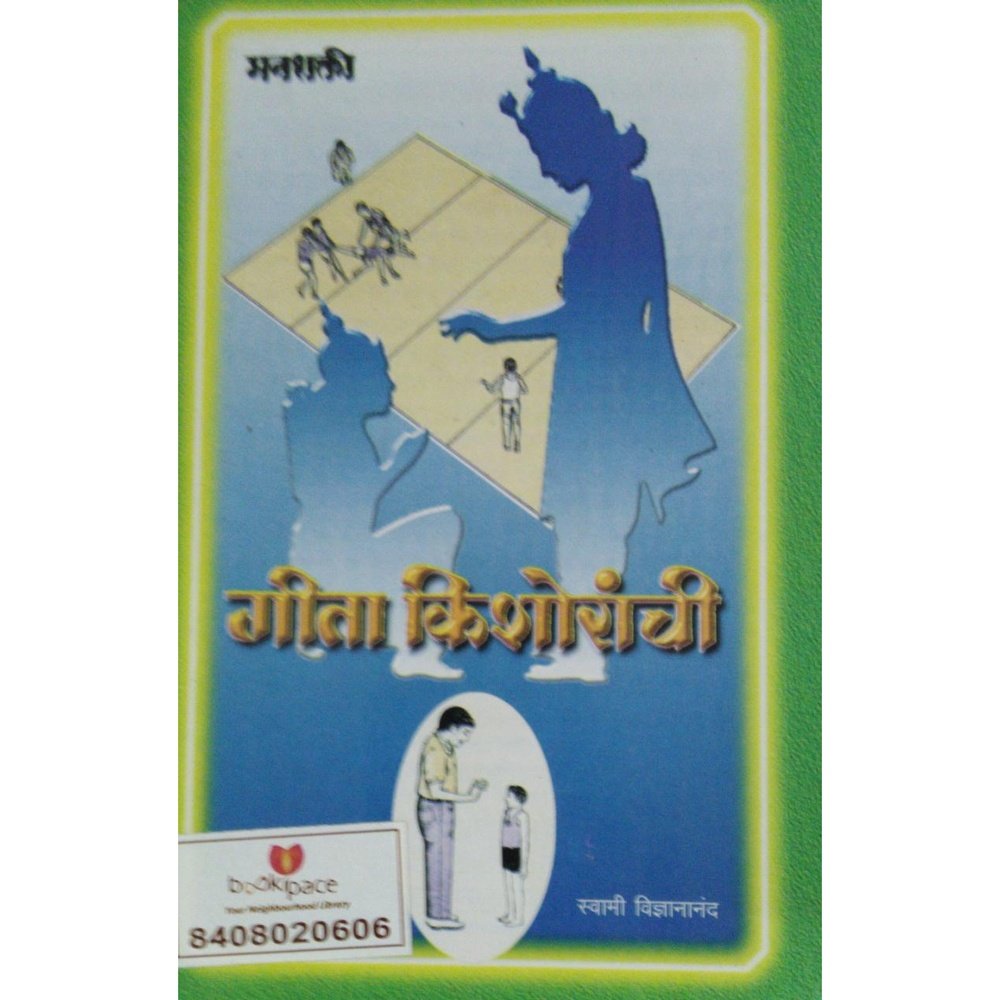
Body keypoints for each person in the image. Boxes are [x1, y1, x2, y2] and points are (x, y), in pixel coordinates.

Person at [441, 50, 715, 680]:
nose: (544, 168)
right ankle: (582, 642)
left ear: (573, 142)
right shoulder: (622, 197)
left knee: (591, 508)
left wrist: (496, 329)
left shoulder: (619, 205)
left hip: (604, 384)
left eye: (546, 152)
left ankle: (586, 647)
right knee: (587, 511)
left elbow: (597, 312)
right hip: (601, 378)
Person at [416, 706, 487, 929]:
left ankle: (443, 913)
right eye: (464, 733)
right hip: (434, 809)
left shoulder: (447, 747)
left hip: (443, 809)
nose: (466, 739)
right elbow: (435, 791)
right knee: (437, 864)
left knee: (445, 863)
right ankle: (436, 916)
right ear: (453, 728)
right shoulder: (435, 749)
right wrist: (470, 797)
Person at [481, 358, 528, 452]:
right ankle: (517, 443)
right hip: (516, 402)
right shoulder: (518, 377)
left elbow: (492, 390)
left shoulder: (502, 378)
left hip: (506, 403)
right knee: (516, 423)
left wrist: (485, 384)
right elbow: (525, 391)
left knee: (506, 424)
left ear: (505, 367)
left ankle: (507, 444)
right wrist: (517, 392)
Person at [499, 785, 530, 927]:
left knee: (517, 887)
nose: (506, 799)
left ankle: (519, 918)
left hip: (517, 852)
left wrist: (524, 865)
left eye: (509, 796)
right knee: (508, 886)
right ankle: (511, 914)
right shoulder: (507, 813)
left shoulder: (522, 816)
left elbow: (525, 840)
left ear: (518, 799)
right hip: (506, 850)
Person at [309, 217, 352, 284]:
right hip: (325, 251)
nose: (320, 225)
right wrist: (330, 245)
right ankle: (343, 278)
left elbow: (326, 239)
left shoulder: (319, 231)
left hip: (326, 250)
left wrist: (331, 244)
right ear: (316, 225)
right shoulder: (318, 232)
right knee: (334, 264)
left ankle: (339, 276)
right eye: (318, 224)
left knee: (333, 264)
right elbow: (323, 241)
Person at [295, 227, 320, 299]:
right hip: (305, 262)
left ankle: (302, 289)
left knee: (310, 278)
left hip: (306, 262)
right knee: (313, 278)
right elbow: (308, 252)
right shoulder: (303, 243)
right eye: (309, 235)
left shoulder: (305, 242)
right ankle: (313, 293)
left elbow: (315, 248)